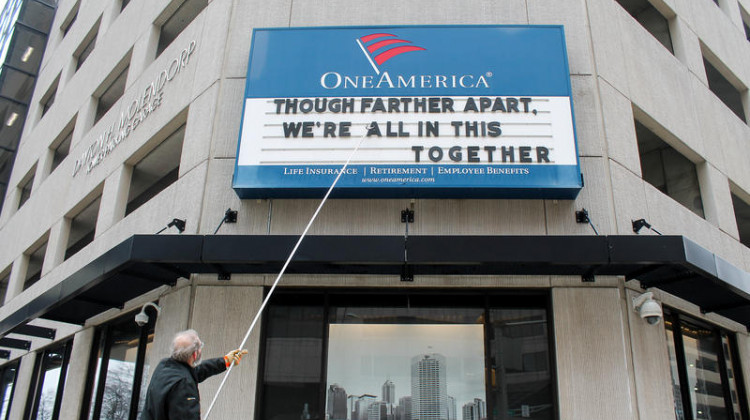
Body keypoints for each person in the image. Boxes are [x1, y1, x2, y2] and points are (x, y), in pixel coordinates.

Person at [139, 329, 247, 420]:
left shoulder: (164, 367)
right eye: (200, 347)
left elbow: (194, 372)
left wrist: (225, 361)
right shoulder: (183, 384)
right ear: (195, 354)